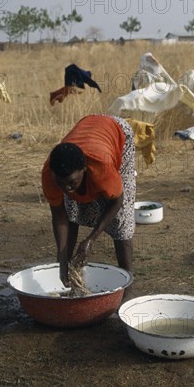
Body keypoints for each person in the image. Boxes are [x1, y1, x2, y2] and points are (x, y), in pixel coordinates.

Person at [41, 115, 135, 287]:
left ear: (84, 169)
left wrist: (91, 239)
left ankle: (127, 284)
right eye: (60, 183)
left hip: (116, 132)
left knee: (122, 220)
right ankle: (68, 276)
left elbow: (117, 200)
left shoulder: (102, 165)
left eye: (72, 182)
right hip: (88, 129)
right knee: (72, 212)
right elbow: (59, 215)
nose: (67, 188)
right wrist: (62, 262)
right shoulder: (50, 173)